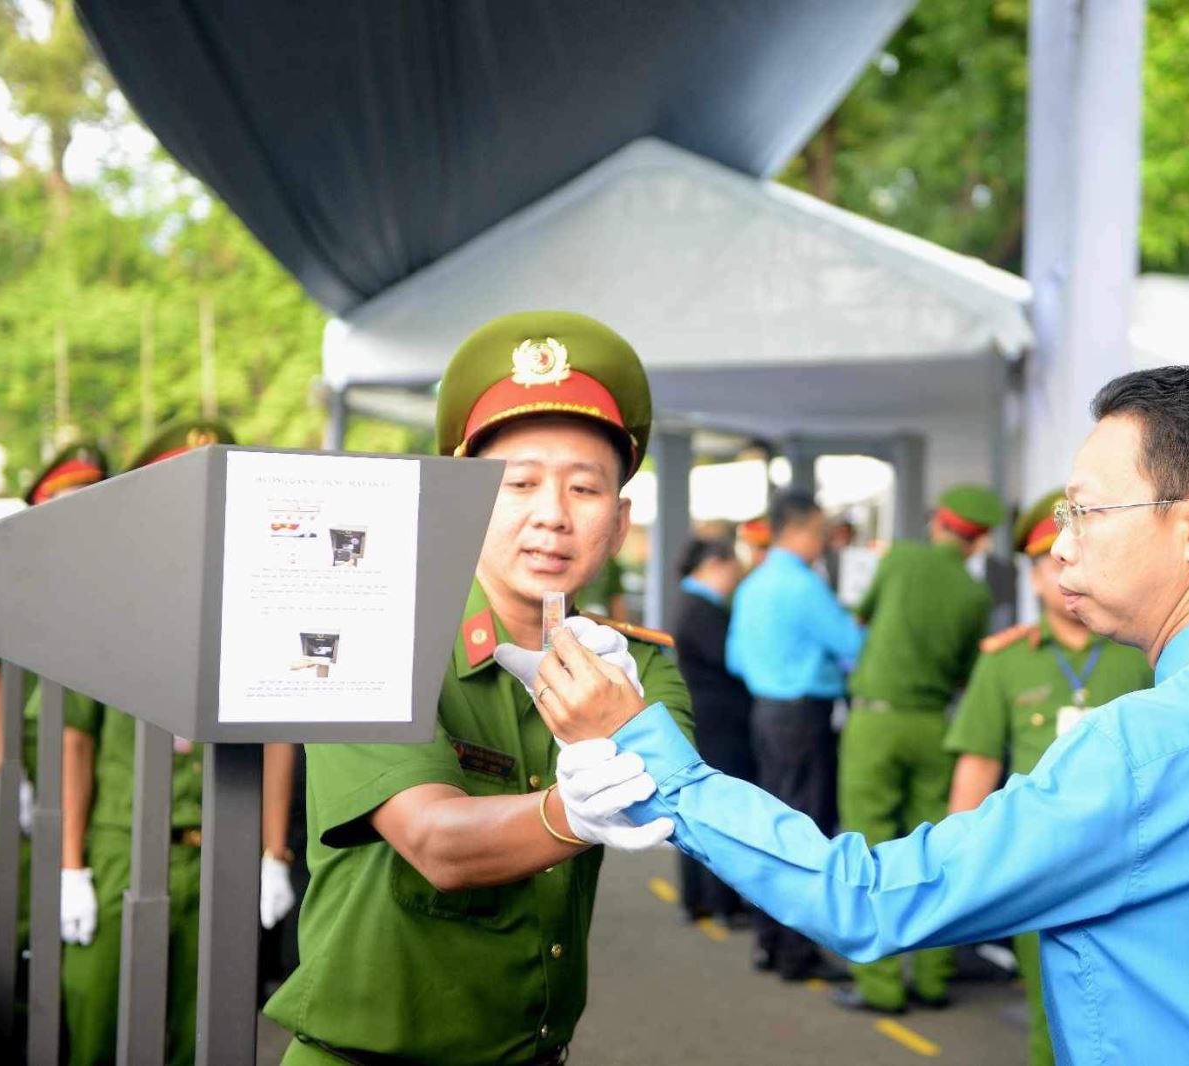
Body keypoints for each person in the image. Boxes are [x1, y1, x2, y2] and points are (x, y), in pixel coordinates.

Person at [533, 365, 1189, 1063]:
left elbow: (872, 899)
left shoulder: (1146, 747)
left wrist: (657, 757)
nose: (1059, 547)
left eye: (1086, 512)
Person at [264, 312, 694, 1065]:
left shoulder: (631, 666)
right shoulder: (370, 640)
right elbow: (435, 842)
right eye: (518, 483)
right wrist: (570, 813)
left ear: (620, 522)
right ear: (459, 502)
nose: (552, 516)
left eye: (586, 489)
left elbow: (680, 796)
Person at [52, 419, 299, 1066]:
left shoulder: (252, 603)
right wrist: (69, 864)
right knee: (102, 1021)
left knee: (208, 1036)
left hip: (220, 850)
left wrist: (273, 851)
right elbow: (74, 740)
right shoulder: (108, 599)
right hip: (121, 849)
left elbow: (277, 734)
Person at [944, 489, 1152, 1063]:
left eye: (1072, 556)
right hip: (1038, 862)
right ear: (1033, 580)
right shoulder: (1003, 661)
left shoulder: (1138, 654)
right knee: (1053, 1017)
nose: (1063, 570)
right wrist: (962, 867)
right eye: (1049, 563)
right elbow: (978, 766)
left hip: (1128, 860)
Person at [832, 484, 1002, 1015]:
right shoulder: (977, 597)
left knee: (867, 847)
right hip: (936, 728)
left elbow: (860, 618)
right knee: (937, 851)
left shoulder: (901, 560)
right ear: (978, 542)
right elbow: (963, 674)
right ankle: (933, 977)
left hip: (875, 723)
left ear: (939, 523)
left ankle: (881, 985)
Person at [0, 438, 108, 1001]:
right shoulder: (16, 575)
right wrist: (1, 766)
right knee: (7, 918)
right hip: (22, 762)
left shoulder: (108, 585)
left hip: (87, 779)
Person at [724, 490, 861, 981]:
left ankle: (769, 941)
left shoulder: (752, 584)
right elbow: (853, 645)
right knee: (808, 833)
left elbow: (736, 660)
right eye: (820, 534)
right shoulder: (804, 586)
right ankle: (798, 953)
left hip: (765, 713)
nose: (823, 544)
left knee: (772, 827)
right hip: (805, 717)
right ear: (800, 531)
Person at [669, 536, 752, 925]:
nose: (737, 577)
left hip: (707, 719)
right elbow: (733, 660)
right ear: (714, 565)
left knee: (697, 809)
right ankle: (720, 903)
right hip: (718, 723)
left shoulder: (691, 604)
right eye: (733, 567)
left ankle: (700, 899)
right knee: (719, 810)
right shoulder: (701, 609)